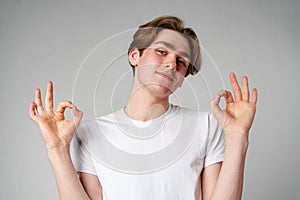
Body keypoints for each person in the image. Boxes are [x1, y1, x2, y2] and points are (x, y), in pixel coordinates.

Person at [29, 16, 258, 200]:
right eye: (161, 51)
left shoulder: (205, 125)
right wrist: (57, 149)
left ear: (181, 78)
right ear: (135, 56)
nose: (171, 64)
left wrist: (238, 137)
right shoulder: (91, 132)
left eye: (181, 61)